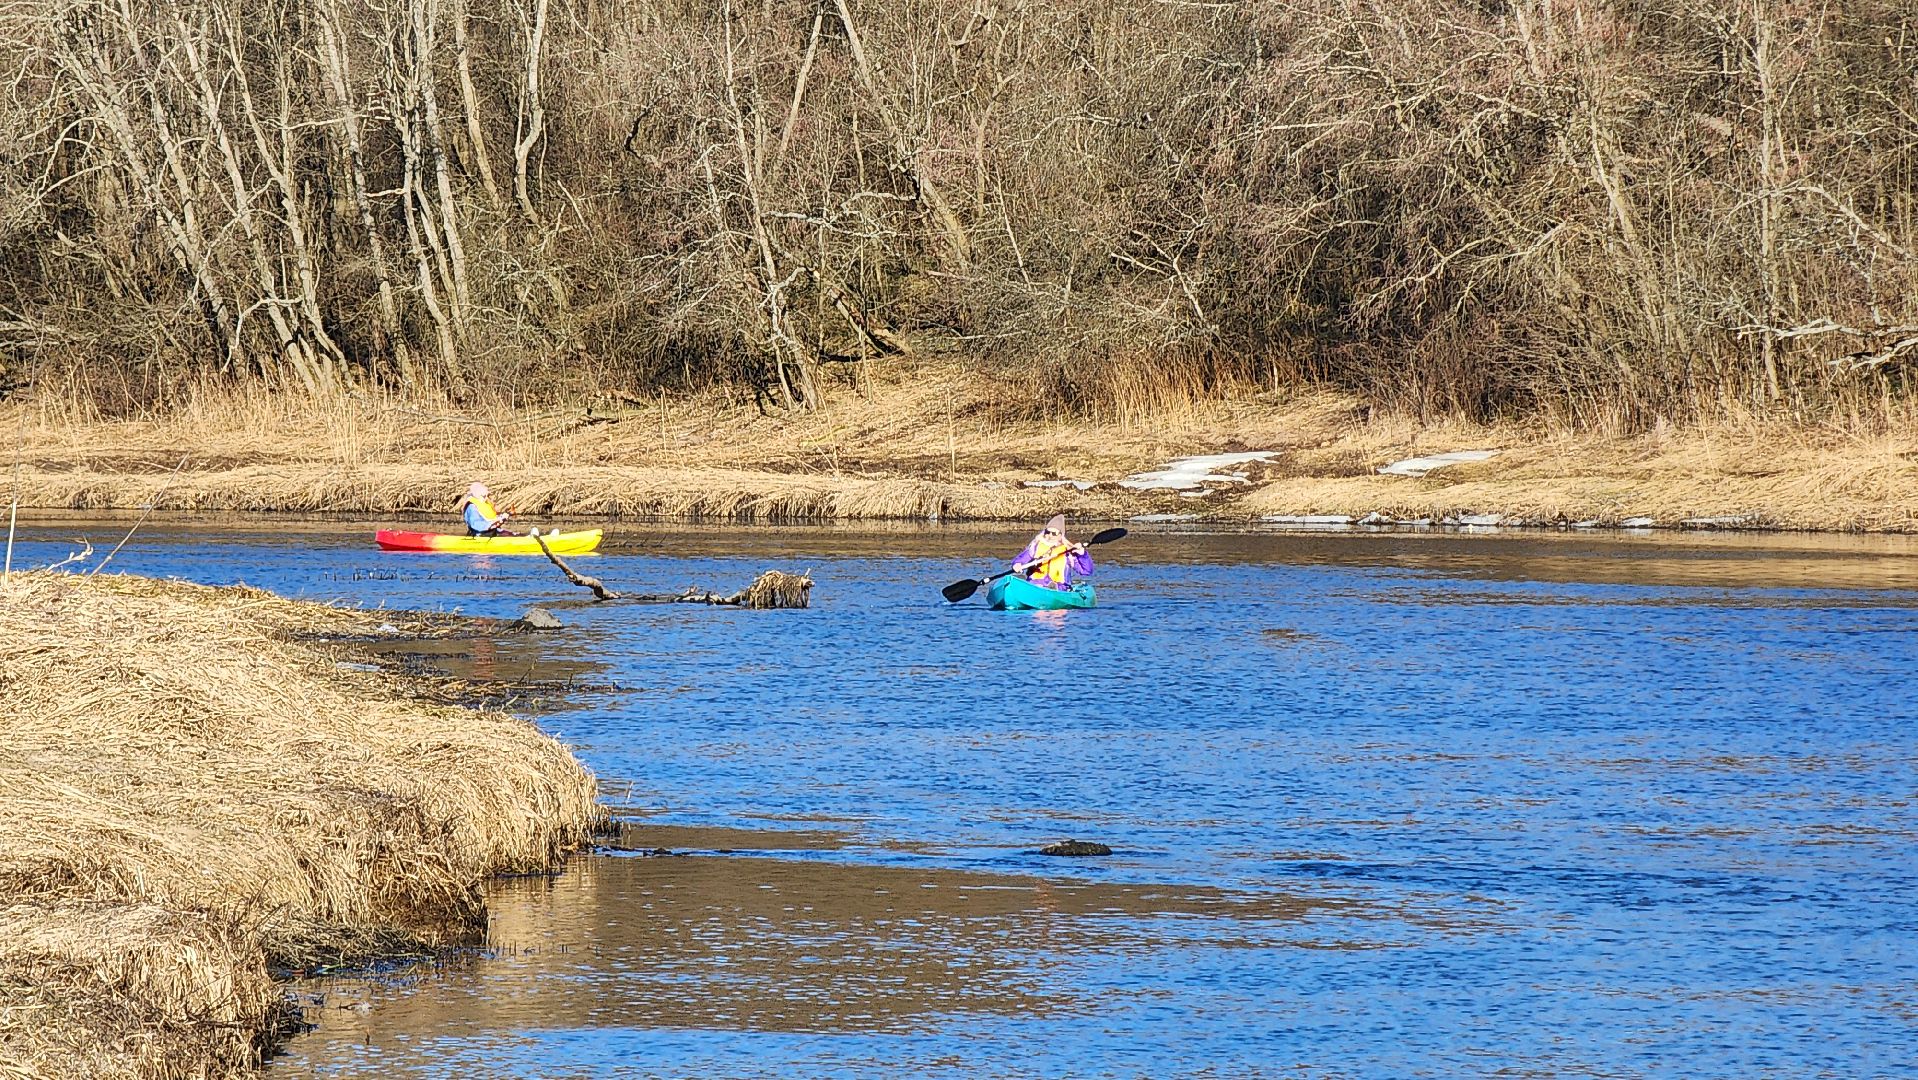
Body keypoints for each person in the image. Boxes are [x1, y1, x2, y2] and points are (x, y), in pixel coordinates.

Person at [1013, 514, 1093, 590]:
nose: (1050, 536)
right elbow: (1022, 559)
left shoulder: (1068, 552)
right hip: (1035, 584)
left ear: (1061, 535)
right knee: (1030, 583)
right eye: (1047, 532)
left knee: (1053, 586)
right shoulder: (1035, 547)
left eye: (1054, 533)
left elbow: (1086, 571)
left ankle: (1051, 590)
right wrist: (1017, 564)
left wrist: (1082, 555)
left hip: (1059, 586)